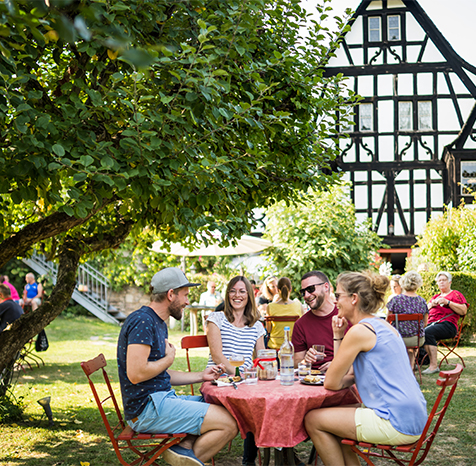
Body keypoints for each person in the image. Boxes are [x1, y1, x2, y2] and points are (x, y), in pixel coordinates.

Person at [117, 267, 238, 466]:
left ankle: (184, 450)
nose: (188, 301)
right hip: (146, 411)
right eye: (185, 295)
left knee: (227, 406)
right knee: (228, 424)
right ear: (170, 294)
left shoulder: (158, 323)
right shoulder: (143, 322)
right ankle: (184, 459)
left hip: (159, 401)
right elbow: (136, 374)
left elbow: (156, 373)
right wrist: (168, 359)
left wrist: (201, 375)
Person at [304, 271, 427, 466]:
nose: (335, 301)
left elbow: (332, 382)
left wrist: (338, 337)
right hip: (414, 416)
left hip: (394, 421)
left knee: (313, 420)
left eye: (338, 296)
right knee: (336, 420)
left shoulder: (360, 331)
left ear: (354, 298)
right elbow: (346, 376)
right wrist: (338, 335)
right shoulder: (383, 325)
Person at [206, 275, 265, 466]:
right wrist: (240, 374)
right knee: (253, 406)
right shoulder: (217, 318)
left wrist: (266, 366)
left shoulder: (257, 325)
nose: (236, 295)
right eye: (232, 291)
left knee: (261, 404)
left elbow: (262, 357)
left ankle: (250, 461)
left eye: (241, 291)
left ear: (249, 294)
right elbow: (217, 356)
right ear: (227, 294)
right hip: (219, 380)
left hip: (246, 383)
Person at [422, 271, 468, 374]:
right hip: (431, 324)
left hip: (448, 325)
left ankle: (433, 366)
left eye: (444, 280)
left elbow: (463, 310)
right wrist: (431, 305)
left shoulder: (455, 294)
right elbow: (423, 311)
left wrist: (447, 302)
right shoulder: (435, 297)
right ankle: (420, 362)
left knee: (427, 332)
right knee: (418, 332)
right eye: (439, 281)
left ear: (450, 282)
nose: (441, 282)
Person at [292, 271, 337, 370]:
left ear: (326, 287)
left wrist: (338, 365)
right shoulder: (301, 324)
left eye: (311, 289)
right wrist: (305, 360)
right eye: (303, 292)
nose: (306, 295)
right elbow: (296, 363)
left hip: (343, 376)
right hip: (312, 379)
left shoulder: (346, 315)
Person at [386, 271, 429, 369]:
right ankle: (411, 365)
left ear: (403, 283)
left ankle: (400, 366)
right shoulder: (422, 301)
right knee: (413, 348)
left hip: (398, 338)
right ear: (418, 284)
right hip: (416, 339)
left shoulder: (395, 300)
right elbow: (425, 323)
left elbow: (388, 321)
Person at [266, 277, 302, 350]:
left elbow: (268, 329)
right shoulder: (298, 305)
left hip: (275, 346)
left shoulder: (270, 306)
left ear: (278, 290)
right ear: (290, 289)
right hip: (293, 346)